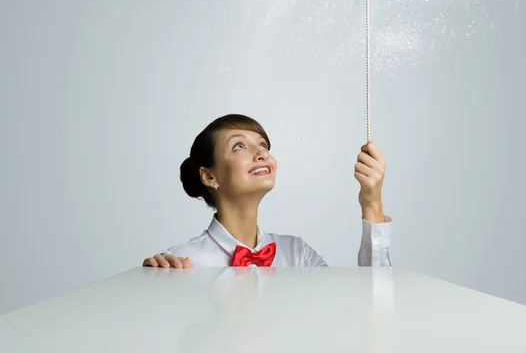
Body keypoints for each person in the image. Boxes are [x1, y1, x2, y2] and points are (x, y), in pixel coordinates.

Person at [142, 114, 392, 268]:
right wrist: (149, 285)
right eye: (239, 146)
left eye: (263, 145)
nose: (262, 153)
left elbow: (368, 305)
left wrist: (372, 203)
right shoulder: (182, 262)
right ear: (209, 176)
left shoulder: (297, 256)